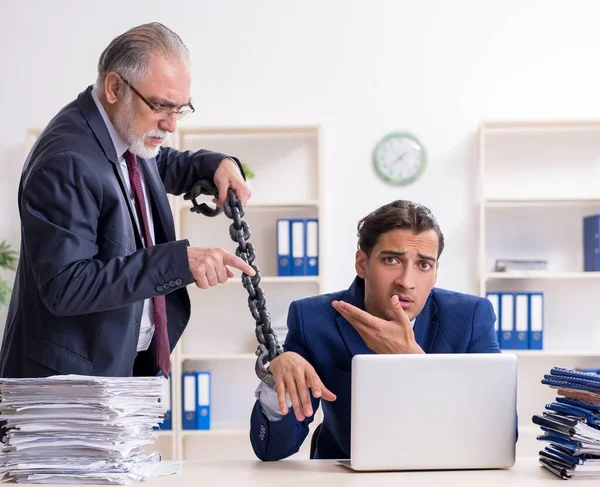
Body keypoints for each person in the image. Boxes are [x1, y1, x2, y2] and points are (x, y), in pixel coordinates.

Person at [0, 23, 255, 379]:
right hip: (66, 391)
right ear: (115, 87)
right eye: (161, 107)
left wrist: (214, 165)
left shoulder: (120, 130)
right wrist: (177, 262)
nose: (170, 126)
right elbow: (67, 285)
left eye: (181, 109)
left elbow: (155, 163)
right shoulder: (67, 161)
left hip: (114, 373)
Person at [249, 200, 501, 461]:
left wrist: (413, 360)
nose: (406, 282)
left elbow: (495, 435)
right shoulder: (312, 319)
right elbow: (273, 449)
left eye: (424, 265)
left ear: (436, 271)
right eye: (391, 260)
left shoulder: (471, 317)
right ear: (361, 263)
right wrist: (277, 380)